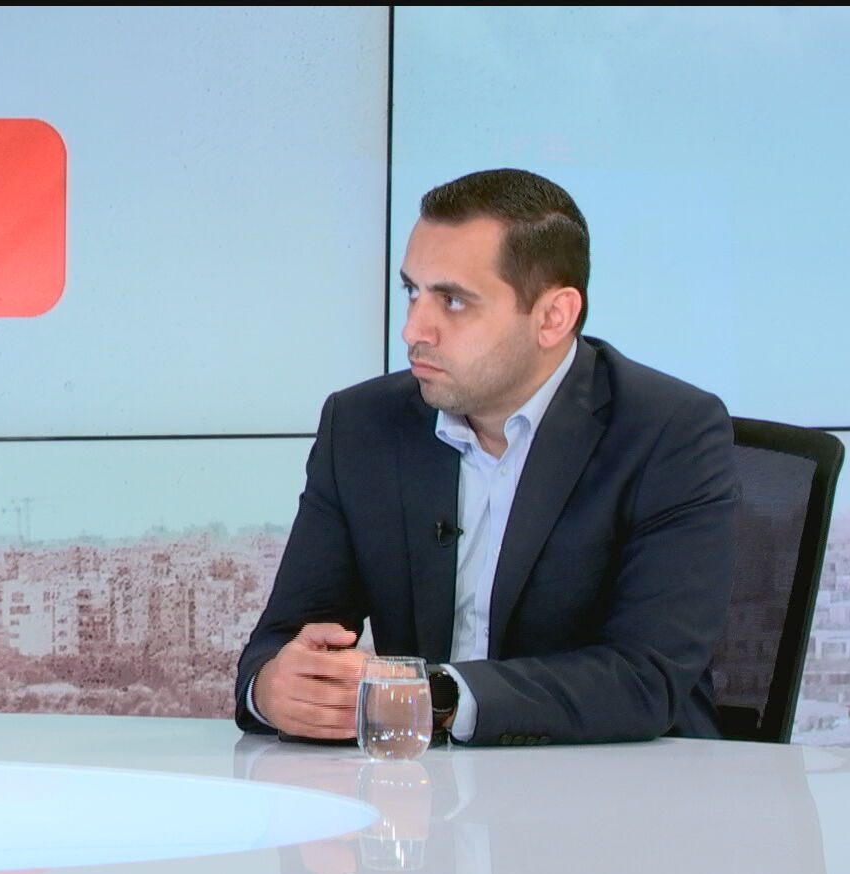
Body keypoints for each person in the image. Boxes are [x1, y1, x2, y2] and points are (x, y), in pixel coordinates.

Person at [237, 168, 737, 746]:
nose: (413, 330)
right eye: (412, 291)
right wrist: (274, 687)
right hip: (421, 789)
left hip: (621, 784)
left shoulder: (669, 431)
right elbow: (284, 640)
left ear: (553, 316)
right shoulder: (362, 426)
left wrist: (433, 696)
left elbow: (645, 678)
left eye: (452, 301)